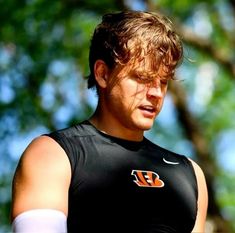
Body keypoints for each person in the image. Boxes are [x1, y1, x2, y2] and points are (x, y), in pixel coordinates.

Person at [11, 10, 208, 233]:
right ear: (103, 74)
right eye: (142, 78)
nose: (156, 92)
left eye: (162, 82)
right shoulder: (52, 154)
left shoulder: (190, 174)